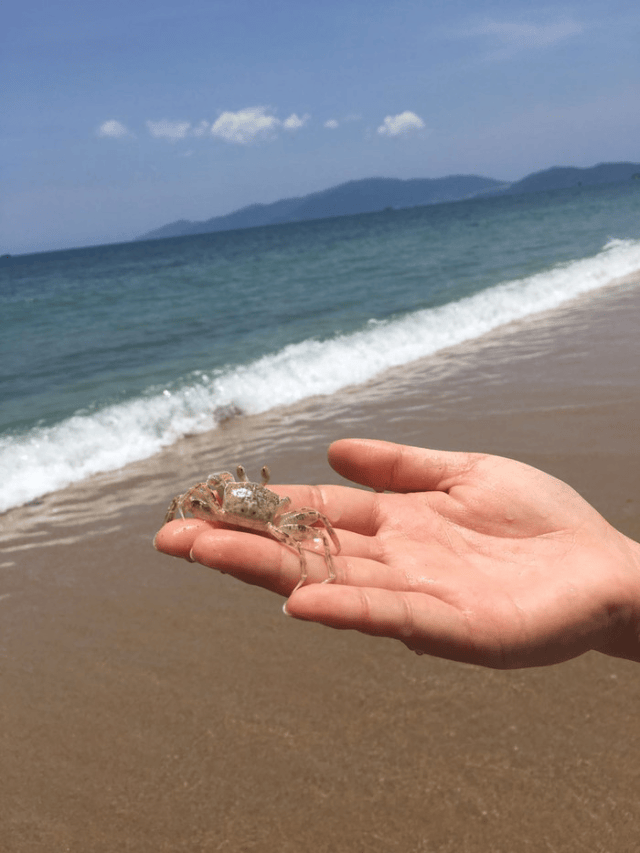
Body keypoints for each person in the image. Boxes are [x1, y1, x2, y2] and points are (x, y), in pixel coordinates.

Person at [154, 438, 640, 669]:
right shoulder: (230, 499)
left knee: (316, 531)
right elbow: (197, 496)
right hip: (258, 514)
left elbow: (318, 527)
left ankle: (314, 568)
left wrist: (621, 580)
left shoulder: (276, 513)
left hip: (261, 515)